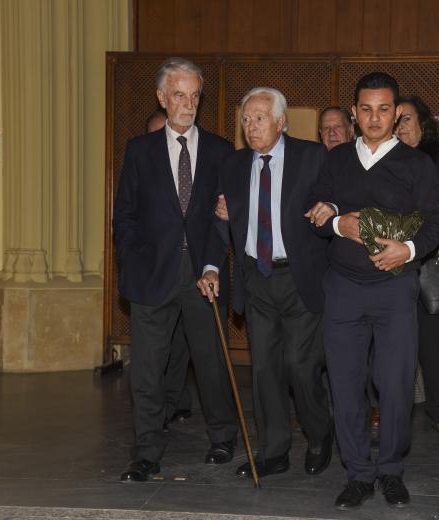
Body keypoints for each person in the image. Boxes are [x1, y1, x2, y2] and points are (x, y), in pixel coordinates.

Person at [306, 72, 439, 510]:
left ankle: (390, 471)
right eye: (365, 109)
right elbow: (317, 206)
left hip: (394, 290)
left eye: (384, 109)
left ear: (396, 113)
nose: (374, 117)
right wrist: (333, 221)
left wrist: (406, 250)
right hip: (344, 290)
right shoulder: (337, 160)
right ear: (354, 113)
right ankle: (358, 475)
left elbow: (434, 224)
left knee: (396, 384)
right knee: (346, 386)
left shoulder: (416, 164)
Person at [113, 57, 239, 482]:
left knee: (211, 362)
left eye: (195, 95)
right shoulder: (139, 150)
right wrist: (132, 261)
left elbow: (225, 217)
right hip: (152, 275)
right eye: (180, 95)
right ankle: (146, 451)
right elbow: (125, 217)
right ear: (162, 98)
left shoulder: (222, 151)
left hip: (203, 275)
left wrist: (214, 259)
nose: (188, 104)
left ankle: (223, 437)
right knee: (148, 369)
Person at [198, 87, 333, 480]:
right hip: (256, 277)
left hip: (299, 277)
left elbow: (332, 203)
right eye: (245, 119)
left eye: (259, 118)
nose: (251, 126)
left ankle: (320, 435)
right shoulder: (234, 165)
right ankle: (273, 450)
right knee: (265, 369)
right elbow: (223, 222)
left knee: (300, 364)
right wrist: (211, 267)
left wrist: (332, 211)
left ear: (280, 121)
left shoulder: (312, 157)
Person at [396, 96, 439, 441]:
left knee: (435, 348)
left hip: (432, 267)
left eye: (407, 120)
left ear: (423, 125)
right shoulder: (391, 161)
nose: (400, 127)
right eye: (397, 121)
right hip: (393, 266)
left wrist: (412, 205)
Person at [143, 106, 193, 432]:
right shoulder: (141, 165)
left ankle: (175, 402)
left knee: (182, 345)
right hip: (153, 270)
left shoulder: (191, 164)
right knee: (154, 351)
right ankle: (154, 412)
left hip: (189, 268)